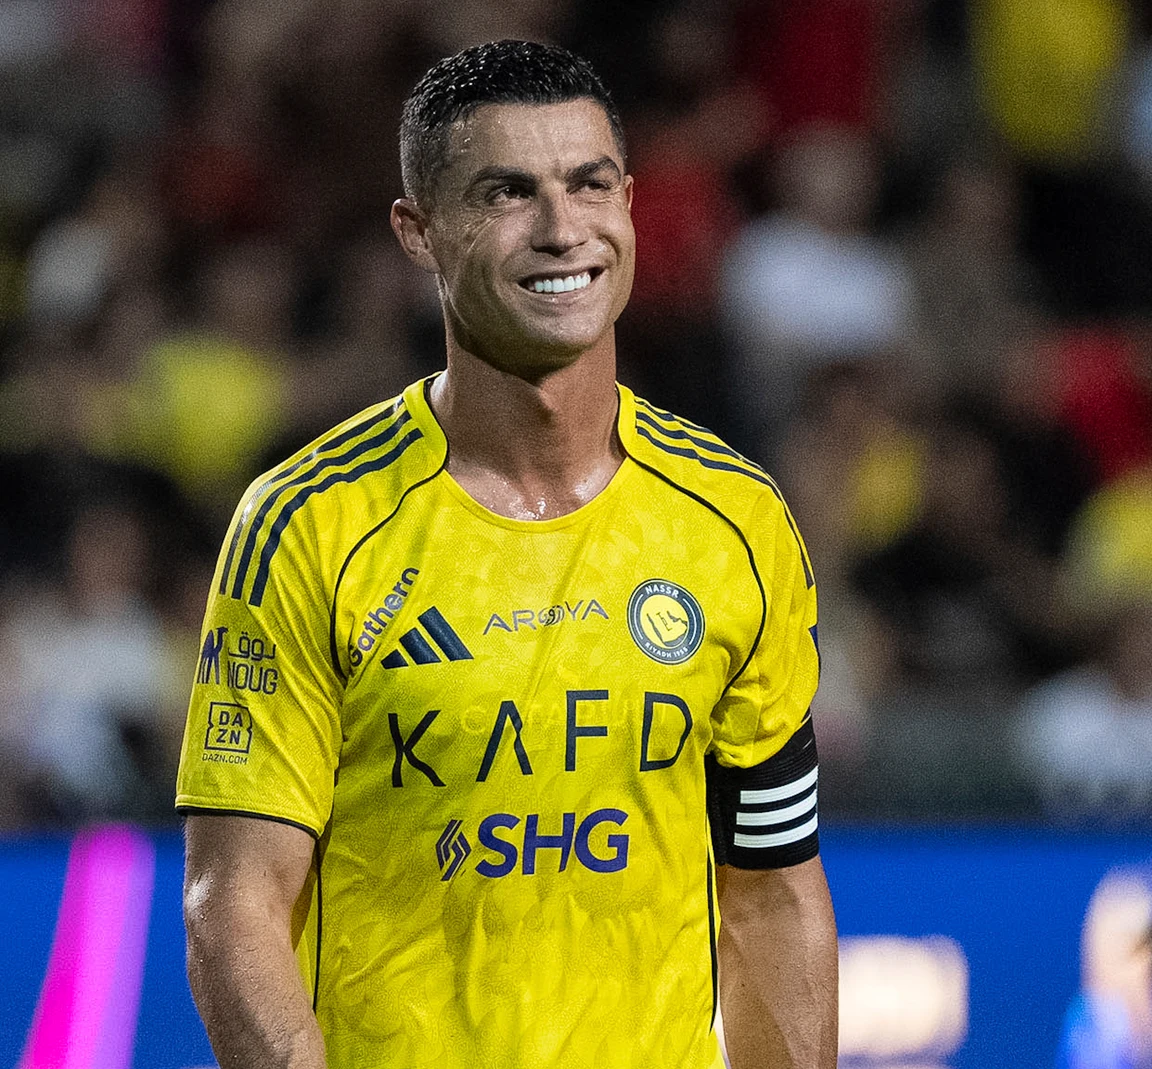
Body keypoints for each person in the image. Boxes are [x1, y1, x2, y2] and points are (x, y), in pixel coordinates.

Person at [176, 41, 836, 1069]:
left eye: (589, 184)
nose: (561, 228)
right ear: (419, 232)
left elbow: (774, 888)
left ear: (628, 203)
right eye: (505, 193)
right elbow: (235, 901)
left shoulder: (734, 520)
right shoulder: (308, 523)